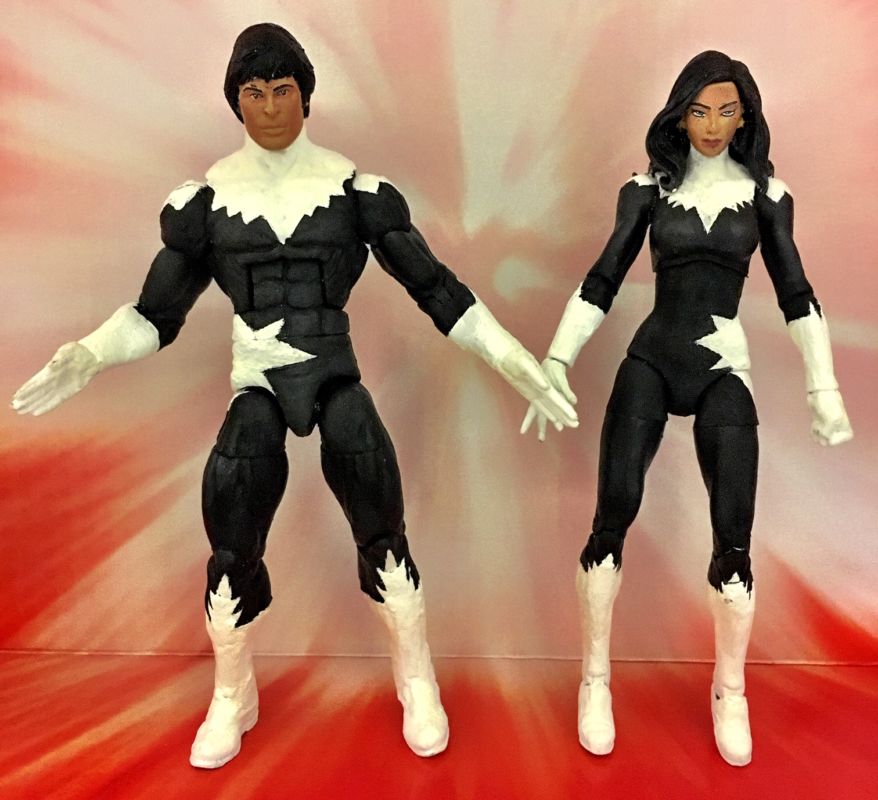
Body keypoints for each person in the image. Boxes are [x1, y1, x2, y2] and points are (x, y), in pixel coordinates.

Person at [12, 23, 576, 769]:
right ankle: (233, 692)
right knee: (232, 510)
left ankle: (416, 678)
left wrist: (512, 358)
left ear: (306, 96)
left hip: (335, 375)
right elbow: (155, 315)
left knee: (376, 500)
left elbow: (436, 288)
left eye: (283, 90)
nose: (271, 107)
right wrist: (90, 353)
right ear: (236, 101)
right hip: (257, 384)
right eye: (255, 92)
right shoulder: (206, 203)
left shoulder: (356, 193)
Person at [522, 50, 852, 766]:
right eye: (699, 111)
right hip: (652, 359)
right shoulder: (646, 190)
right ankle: (595, 678)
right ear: (679, 115)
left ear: (746, 116)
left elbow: (796, 291)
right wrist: (554, 361)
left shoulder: (767, 196)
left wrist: (822, 386)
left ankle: (731, 688)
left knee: (734, 536)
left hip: (721, 367)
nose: (711, 125)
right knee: (612, 514)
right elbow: (604, 277)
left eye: (727, 111)